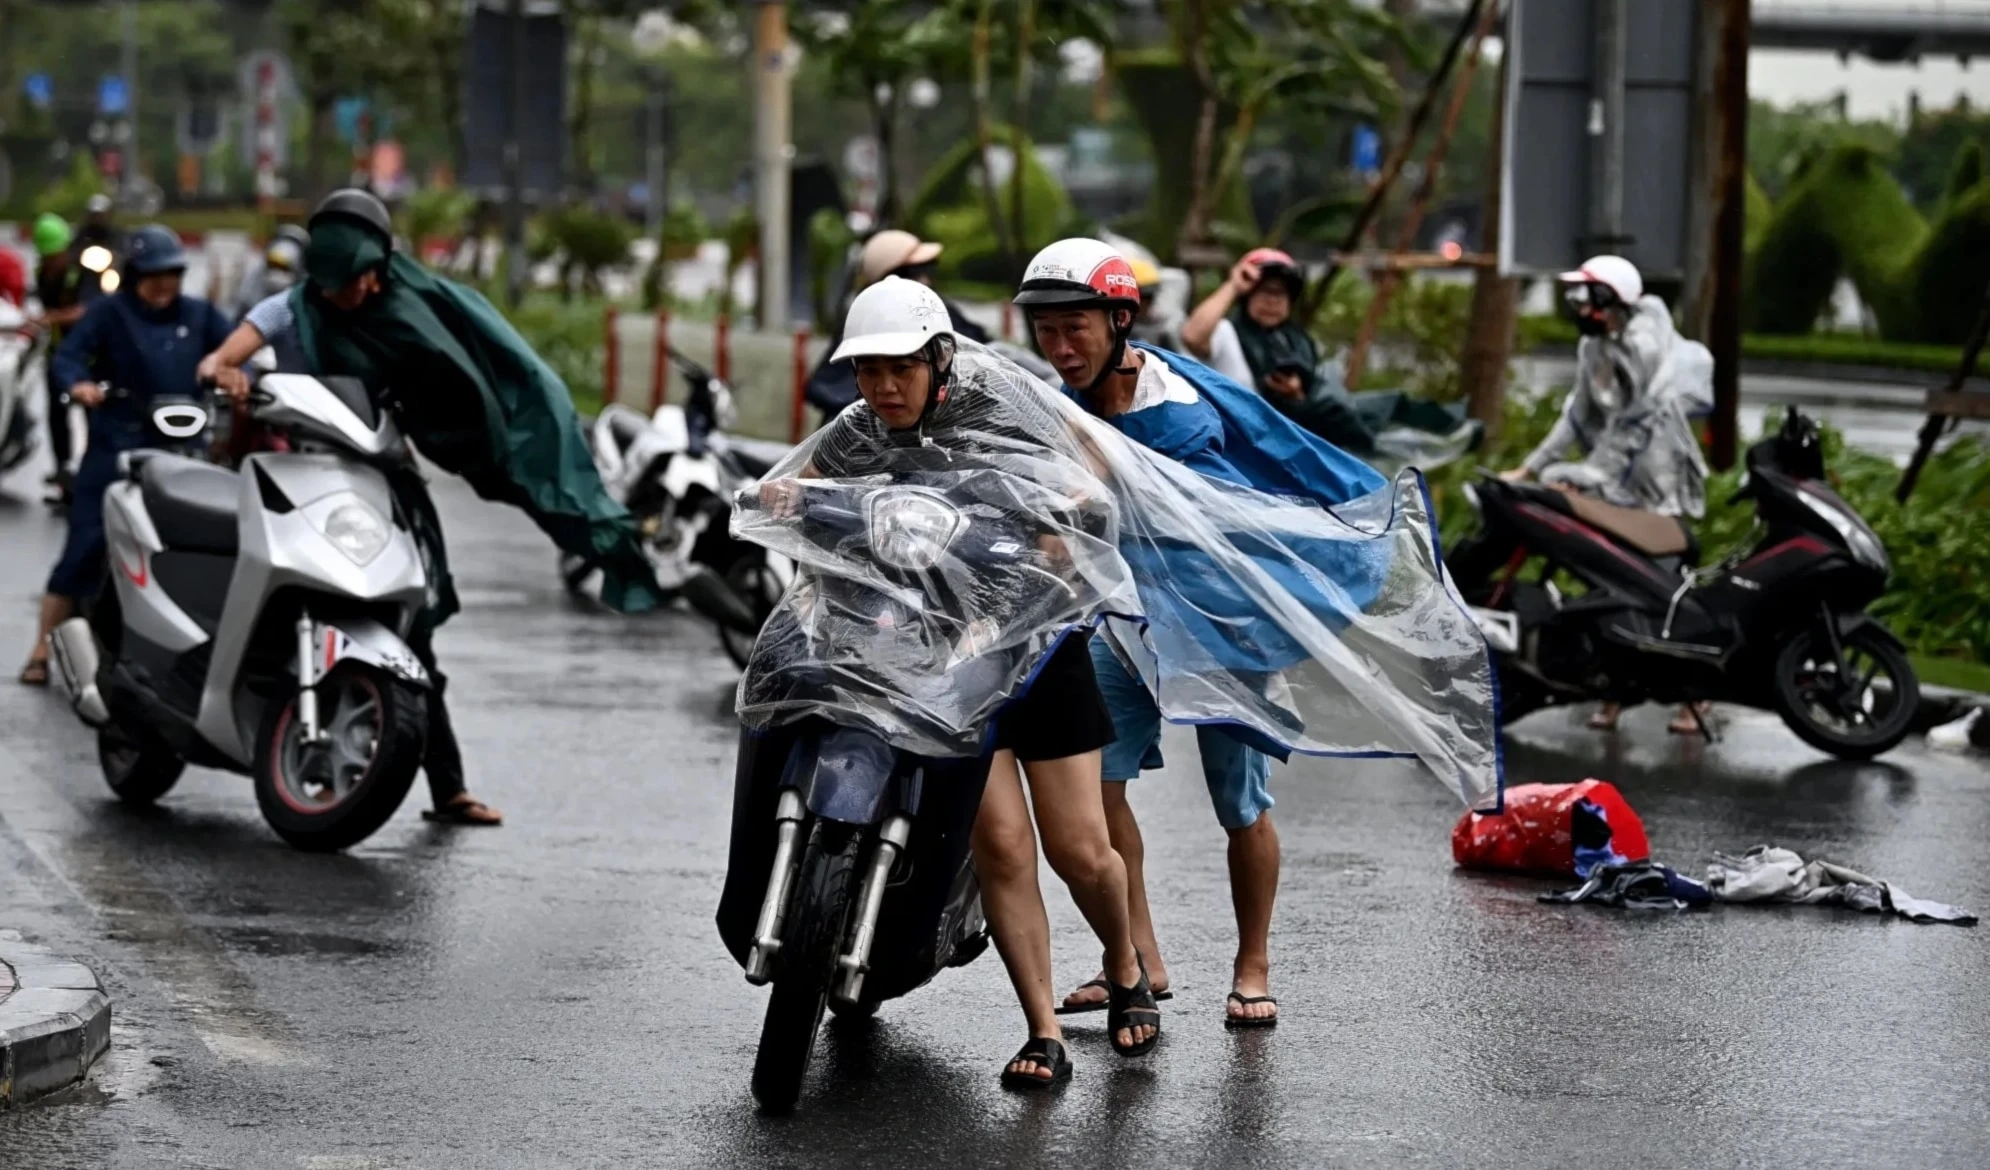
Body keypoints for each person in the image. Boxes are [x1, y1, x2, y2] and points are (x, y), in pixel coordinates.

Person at [762, 277, 1160, 1087]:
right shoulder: (858, 428)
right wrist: (780, 496)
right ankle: (1043, 1029)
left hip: (1037, 647)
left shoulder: (1001, 403)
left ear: (939, 359)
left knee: (1081, 852)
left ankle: (1126, 968)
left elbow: (1085, 468)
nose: (883, 388)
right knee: (1003, 848)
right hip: (941, 664)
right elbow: (806, 482)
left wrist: (1068, 518)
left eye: (900, 369)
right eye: (867, 371)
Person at [1015, 238, 1394, 1028]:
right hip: (1126, 621)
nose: (1060, 347)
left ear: (1120, 322)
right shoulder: (1061, 404)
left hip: (1222, 623)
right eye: (1046, 331)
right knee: (1097, 788)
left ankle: (1253, 965)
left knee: (1239, 804)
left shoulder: (1178, 411)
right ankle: (1139, 956)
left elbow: (1113, 483)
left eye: (1075, 327)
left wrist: (1083, 493)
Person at [198, 188, 665, 827]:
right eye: (347, 281)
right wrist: (226, 373)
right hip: (297, 478)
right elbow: (221, 358)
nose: (362, 290)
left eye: (369, 275)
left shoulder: (421, 303)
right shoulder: (288, 309)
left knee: (410, 628)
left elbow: (495, 373)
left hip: (376, 483)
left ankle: (448, 789)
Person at [1501, 254, 1715, 735]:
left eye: (1586, 298)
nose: (1578, 308)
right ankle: (1615, 690)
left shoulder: (1646, 347)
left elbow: (1632, 427)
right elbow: (1577, 415)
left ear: (1610, 300)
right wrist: (1531, 467)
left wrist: (1587, 475)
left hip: (1656, 478)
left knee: (1661, 586)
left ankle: (1696, 692)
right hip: (1616, 481)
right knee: (1609, 578)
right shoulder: (1594, 347)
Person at [19, 225, 235, 686]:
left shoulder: (200, 316)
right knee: (84, 545)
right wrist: (79, 384)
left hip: (182, 452)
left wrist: (237, 375)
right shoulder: (107, 313)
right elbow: (68, 358)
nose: (163, 284)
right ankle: (41, 647)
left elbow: (240, 351)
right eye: (153, 274)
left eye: (171, 273)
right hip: (116, 446)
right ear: (135, 274)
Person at [1182, 248, 1476, 462]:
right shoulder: (1228, 333)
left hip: (1291, 449)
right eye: (1264, 292)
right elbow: (1193, 336)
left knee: (1382, 407)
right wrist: (1234, 285)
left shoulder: (1295, 342)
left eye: (1280, 294)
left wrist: (1297, 396)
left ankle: (1444, 434)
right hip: (1240, 447)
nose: (1272, 301)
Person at [802, 229, 990, 419]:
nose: (887, 387)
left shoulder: (932, 310)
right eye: (870, 371)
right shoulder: (862, 324)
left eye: (902, 369)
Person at [24, 215, 97, 501]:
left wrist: (52, 317)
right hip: (57, 355)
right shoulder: (42, 273)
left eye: (55, 255)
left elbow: (87, 309)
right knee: (57, 415)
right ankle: (63, 475)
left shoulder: (83, 271)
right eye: (47, 256)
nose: (52, 261)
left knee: (93, 415)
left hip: (88, 357)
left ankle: (92, 476)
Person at [228, 224, 310, 320]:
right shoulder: (253, 282)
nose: (277, 273)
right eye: (273, 265)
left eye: (283, 268)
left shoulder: (305, 292)